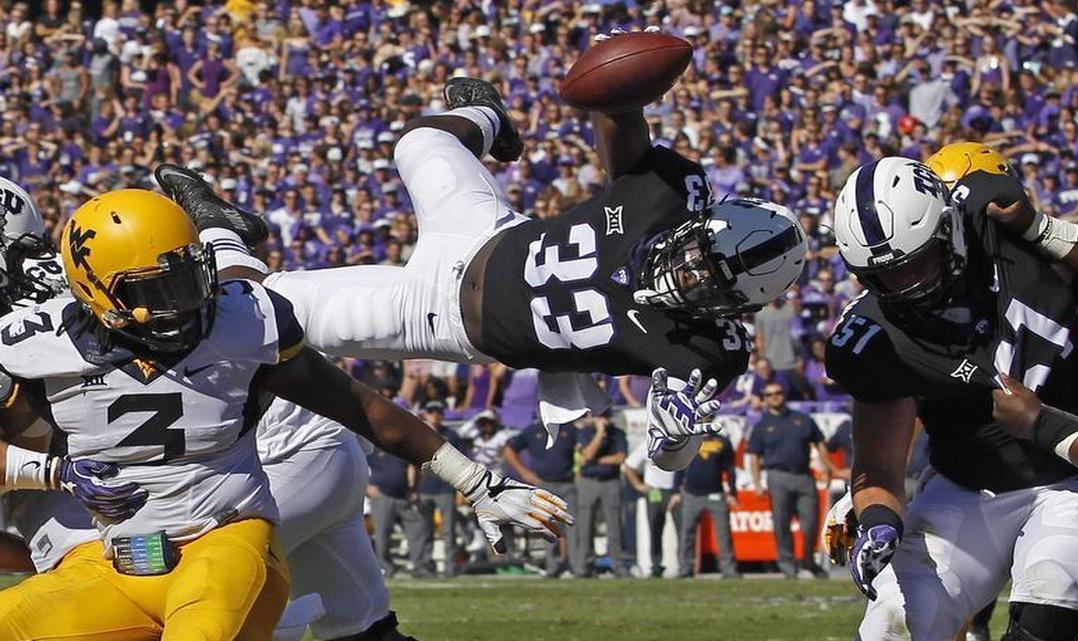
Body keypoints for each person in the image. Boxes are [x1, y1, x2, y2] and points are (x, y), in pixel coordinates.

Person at [155, 45, 808, 472]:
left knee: (261, 314)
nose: (690, 273)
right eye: (699, 254)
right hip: (484, 232)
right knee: (418, 139)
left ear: (737, 307)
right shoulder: (669, 193)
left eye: (710, 283)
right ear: (701, 221)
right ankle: (487, 117)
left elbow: (669, 460)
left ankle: (217, 228)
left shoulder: (711, 349)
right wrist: (622, 81)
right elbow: (614, 111)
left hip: (440, 318)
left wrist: (671, 434)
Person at [0, 189, 572, 640]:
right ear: (97, 294)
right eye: (162, 290)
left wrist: (475, 481)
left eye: (188, 279)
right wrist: (48, 471)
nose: (186, 304)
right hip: (116, 564)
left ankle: (222, 232)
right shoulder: (33, 342)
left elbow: (358, 404)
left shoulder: (240, 322)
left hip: (224, 540)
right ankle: (224, 231)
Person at [826, 151, 1078, 641]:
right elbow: (879, 463)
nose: (909, 284)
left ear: (948, 229)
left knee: (1053, 590)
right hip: (965, 490)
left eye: (918, 262)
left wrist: (1040, 227)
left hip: (1072, 481)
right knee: (890, 627)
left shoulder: (1003, 232)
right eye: (888, 275)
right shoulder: (875, 336)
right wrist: (878, 521)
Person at [745, 382, 835, 580]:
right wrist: (758, 483)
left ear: (784, 395)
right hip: (777, 476)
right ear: (765, 399)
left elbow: (819, 443)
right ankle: (787, 565)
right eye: (770, 394)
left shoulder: (802, 419)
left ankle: (809, 561)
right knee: (781, 522)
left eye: (778, 392)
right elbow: (754, 457)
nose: (775, 397)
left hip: (804, 475)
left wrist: (827, 469)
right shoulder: (762, 426)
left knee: (811, 522)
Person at [503, 418, 583, 578]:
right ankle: (552, 566)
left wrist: (579, 471)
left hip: (567, 484)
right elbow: (509, 449)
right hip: (544, 484)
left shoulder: (570, 429)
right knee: (547, 526)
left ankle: (577, 567)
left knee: (573, 526)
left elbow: (582, 450)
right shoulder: (533, 431)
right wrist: (524, 472)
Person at [675, 434, 740, 579]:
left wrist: (732, 491)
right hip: (691, 493)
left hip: (716, 493)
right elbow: (679, 467)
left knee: (723, 534)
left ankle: (728, 568)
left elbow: (730, 468)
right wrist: (676, 490)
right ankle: (685, 568)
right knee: (687, 534)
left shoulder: (722, 441)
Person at [575, 412, 629, 578]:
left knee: (614, 525)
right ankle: (585, 565)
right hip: (589, 481)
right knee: (585, 525)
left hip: (610, 481)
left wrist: (598, 460)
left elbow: (620, 457)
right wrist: (599, 433)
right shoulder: (586, 432)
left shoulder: (618, 433)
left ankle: (618, 564)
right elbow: (587, 455)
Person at [415, 400, 461, 577]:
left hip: (446, 487)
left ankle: (450, 565)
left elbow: (460, 463)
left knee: (449, 530)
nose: (435, 415)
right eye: (431, 411)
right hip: (425, 487)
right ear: (426, 414)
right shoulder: (419, 434)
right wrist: (413, 488)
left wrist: (459, 489)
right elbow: (412, 463)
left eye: (438, 412)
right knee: (425, 529)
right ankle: (425, 564)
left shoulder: (452, 435)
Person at [368, 451, 430, 578]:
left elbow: (412, 467)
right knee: (382, 533)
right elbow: (357, 466)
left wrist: (413, 488)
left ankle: (420, 566)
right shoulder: (372, 448)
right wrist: (366, 487)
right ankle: (385, 568)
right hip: (382, 496)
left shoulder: (399, 445)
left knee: (417, 528)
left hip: (404, 495)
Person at [624, 440, 680, 578]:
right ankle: (656, 564)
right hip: (654, 491)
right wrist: (639, 486)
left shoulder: (682, 442)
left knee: (682, 528)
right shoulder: (648, 443)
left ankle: (684, 564)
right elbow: (629, 465)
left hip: (674, 491)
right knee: (655, 528)